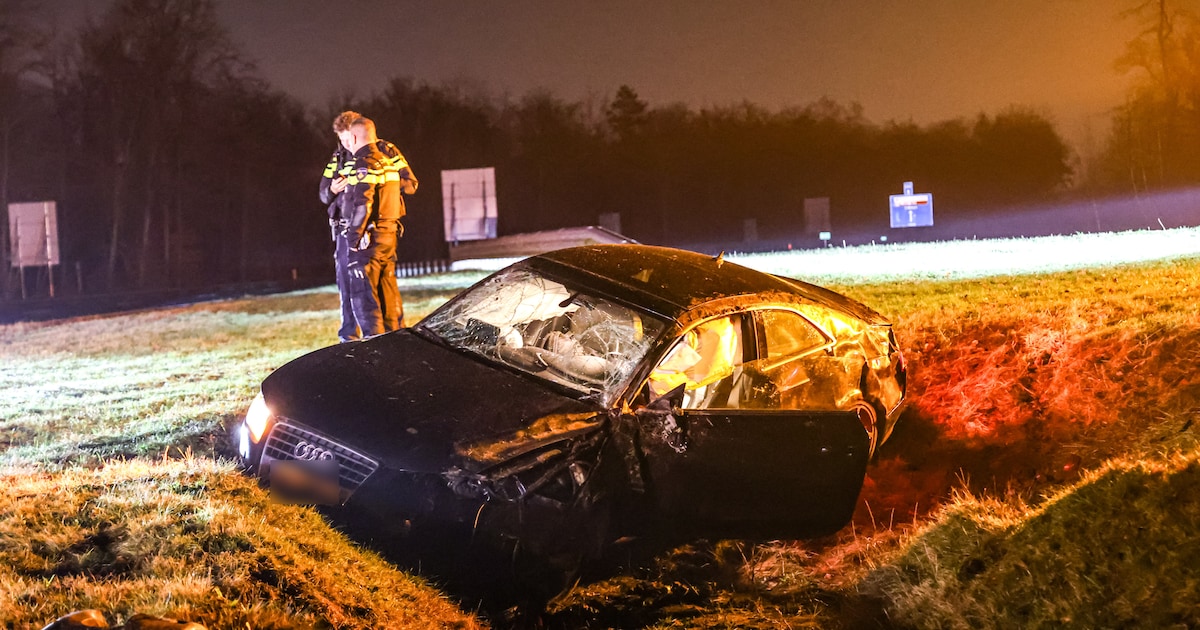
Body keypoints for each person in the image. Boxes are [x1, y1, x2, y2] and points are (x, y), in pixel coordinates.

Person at [320, 112, 418, 339]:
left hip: (371, 231)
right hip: (347, 229)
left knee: (378, 290)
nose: (346, 146)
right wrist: (334, 189)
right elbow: (323, 193)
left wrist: (377, 180)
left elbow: (408, 184)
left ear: (356, 135)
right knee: (349, 288)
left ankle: (384, 337)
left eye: (348, 139)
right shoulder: (339, 157)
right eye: (342, 141)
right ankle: (351, 338)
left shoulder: (384, 152)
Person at [336, 114, 403, 337]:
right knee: (388, 299)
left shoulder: (363, 165)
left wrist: (353, 240)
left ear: (354, 138)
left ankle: (375, 350)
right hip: (388, 237)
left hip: (369, 242)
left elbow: (363, 204)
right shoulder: (388, 163)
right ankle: (396, 343)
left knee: (365, 301)